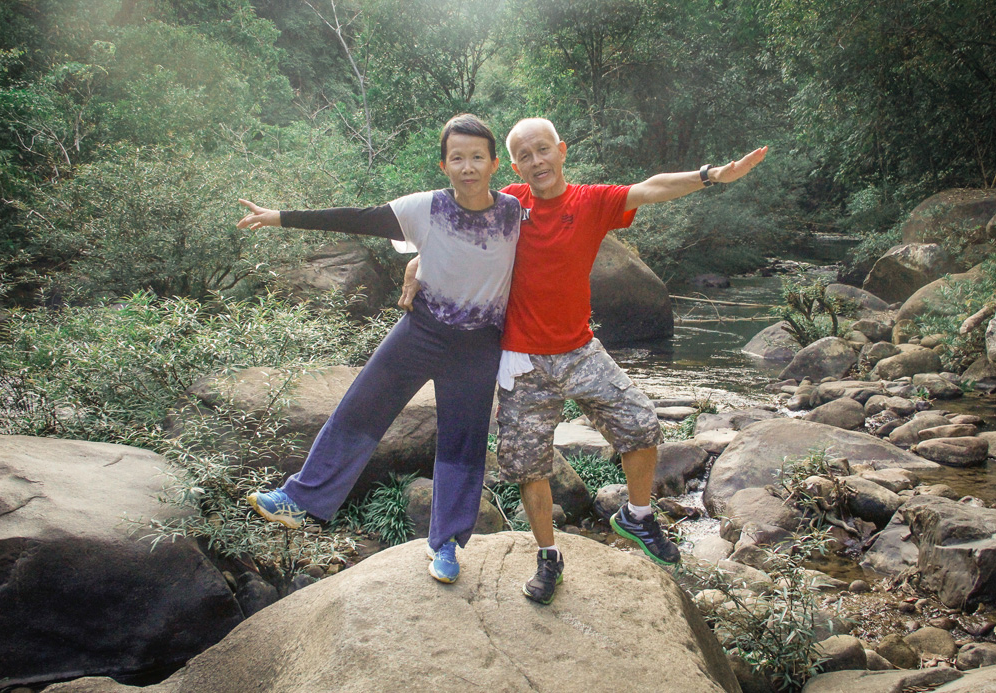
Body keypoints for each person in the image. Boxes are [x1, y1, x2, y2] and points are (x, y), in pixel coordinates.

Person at [401, 117, 766, 604]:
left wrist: (710, 176)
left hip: (579, 350)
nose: (536, 161)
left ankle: (637, 516)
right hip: (521, 361)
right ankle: (548, 557)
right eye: (525, 156)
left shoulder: (591, 201)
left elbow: (650, 189)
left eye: (543, 150)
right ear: (514, 165)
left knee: (640, 423)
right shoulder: (508, 203)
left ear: (561, 150)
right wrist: (415, 263)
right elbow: (451, 228)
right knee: (529, 467)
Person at [235, 114, 522, 584]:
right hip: (422, 329)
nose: (467, 166)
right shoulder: (424, 208)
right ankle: (301, 498)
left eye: (476, 157)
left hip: (479, 346)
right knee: (360, 407)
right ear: (444, 164)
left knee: (463, 445)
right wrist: (280, 217)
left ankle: (446, 544)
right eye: (457, 158)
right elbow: (359, 217)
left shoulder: (514, 212)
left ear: (494, 163)